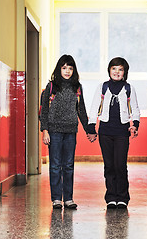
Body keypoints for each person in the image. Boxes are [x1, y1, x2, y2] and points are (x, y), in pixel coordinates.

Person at [87, 57, 140, 209]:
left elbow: (135, 109)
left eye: (120, 69)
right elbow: (94, 107)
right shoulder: (102, 87)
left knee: (120, 165)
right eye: (114, 68)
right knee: (109, 166)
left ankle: (122, 197)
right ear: (109, 70)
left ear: (125, 72)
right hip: (105, 132)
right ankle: (111, 197)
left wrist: (135, 125)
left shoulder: (129, 88)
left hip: (122, 132)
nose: (117, 72)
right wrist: (92, 127)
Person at [40, 54, 89, 209]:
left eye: (70, 68)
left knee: (68, 165)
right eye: (64, 68)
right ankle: (56, 199)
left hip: (70, 131)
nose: (67, 71)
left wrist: (89, 129)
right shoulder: (52, 86)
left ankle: (68, 198)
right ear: (59, 69)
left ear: (74, 70)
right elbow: (44, 110)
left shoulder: (77, 87)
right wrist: (45, 130)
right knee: (55, 165)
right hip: (54, 131)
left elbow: (81, 110)